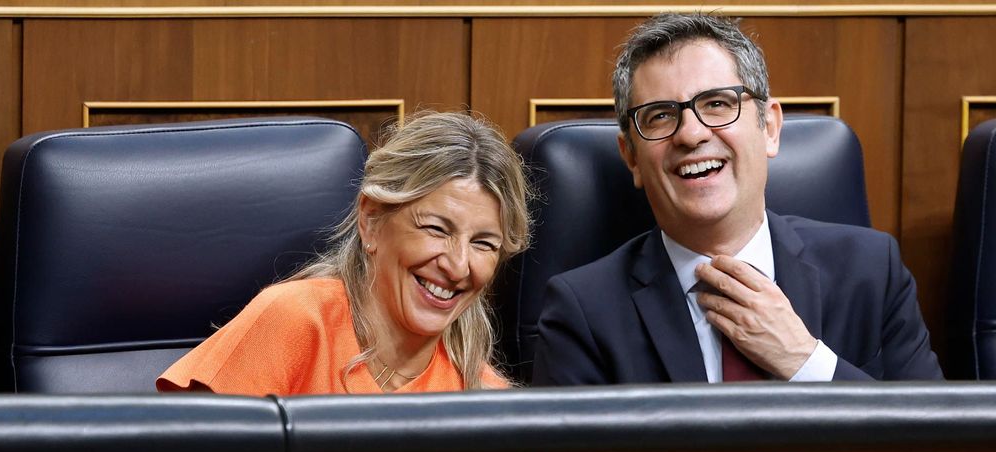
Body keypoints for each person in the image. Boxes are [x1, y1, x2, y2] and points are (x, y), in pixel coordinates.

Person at [532, 12, 943, 385]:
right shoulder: (582, 311)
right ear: (631, 158)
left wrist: (805, 361)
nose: (691, 134)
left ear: (769, 128)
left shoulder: (871, 272)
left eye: (717, 104)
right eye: (660, 115)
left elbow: (935, 449)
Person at [158, 112, 531, 395]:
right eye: (436, 229)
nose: (458, 265)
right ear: (371, 220)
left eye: (483, 243)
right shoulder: (293, 320)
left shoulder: (483, 394)